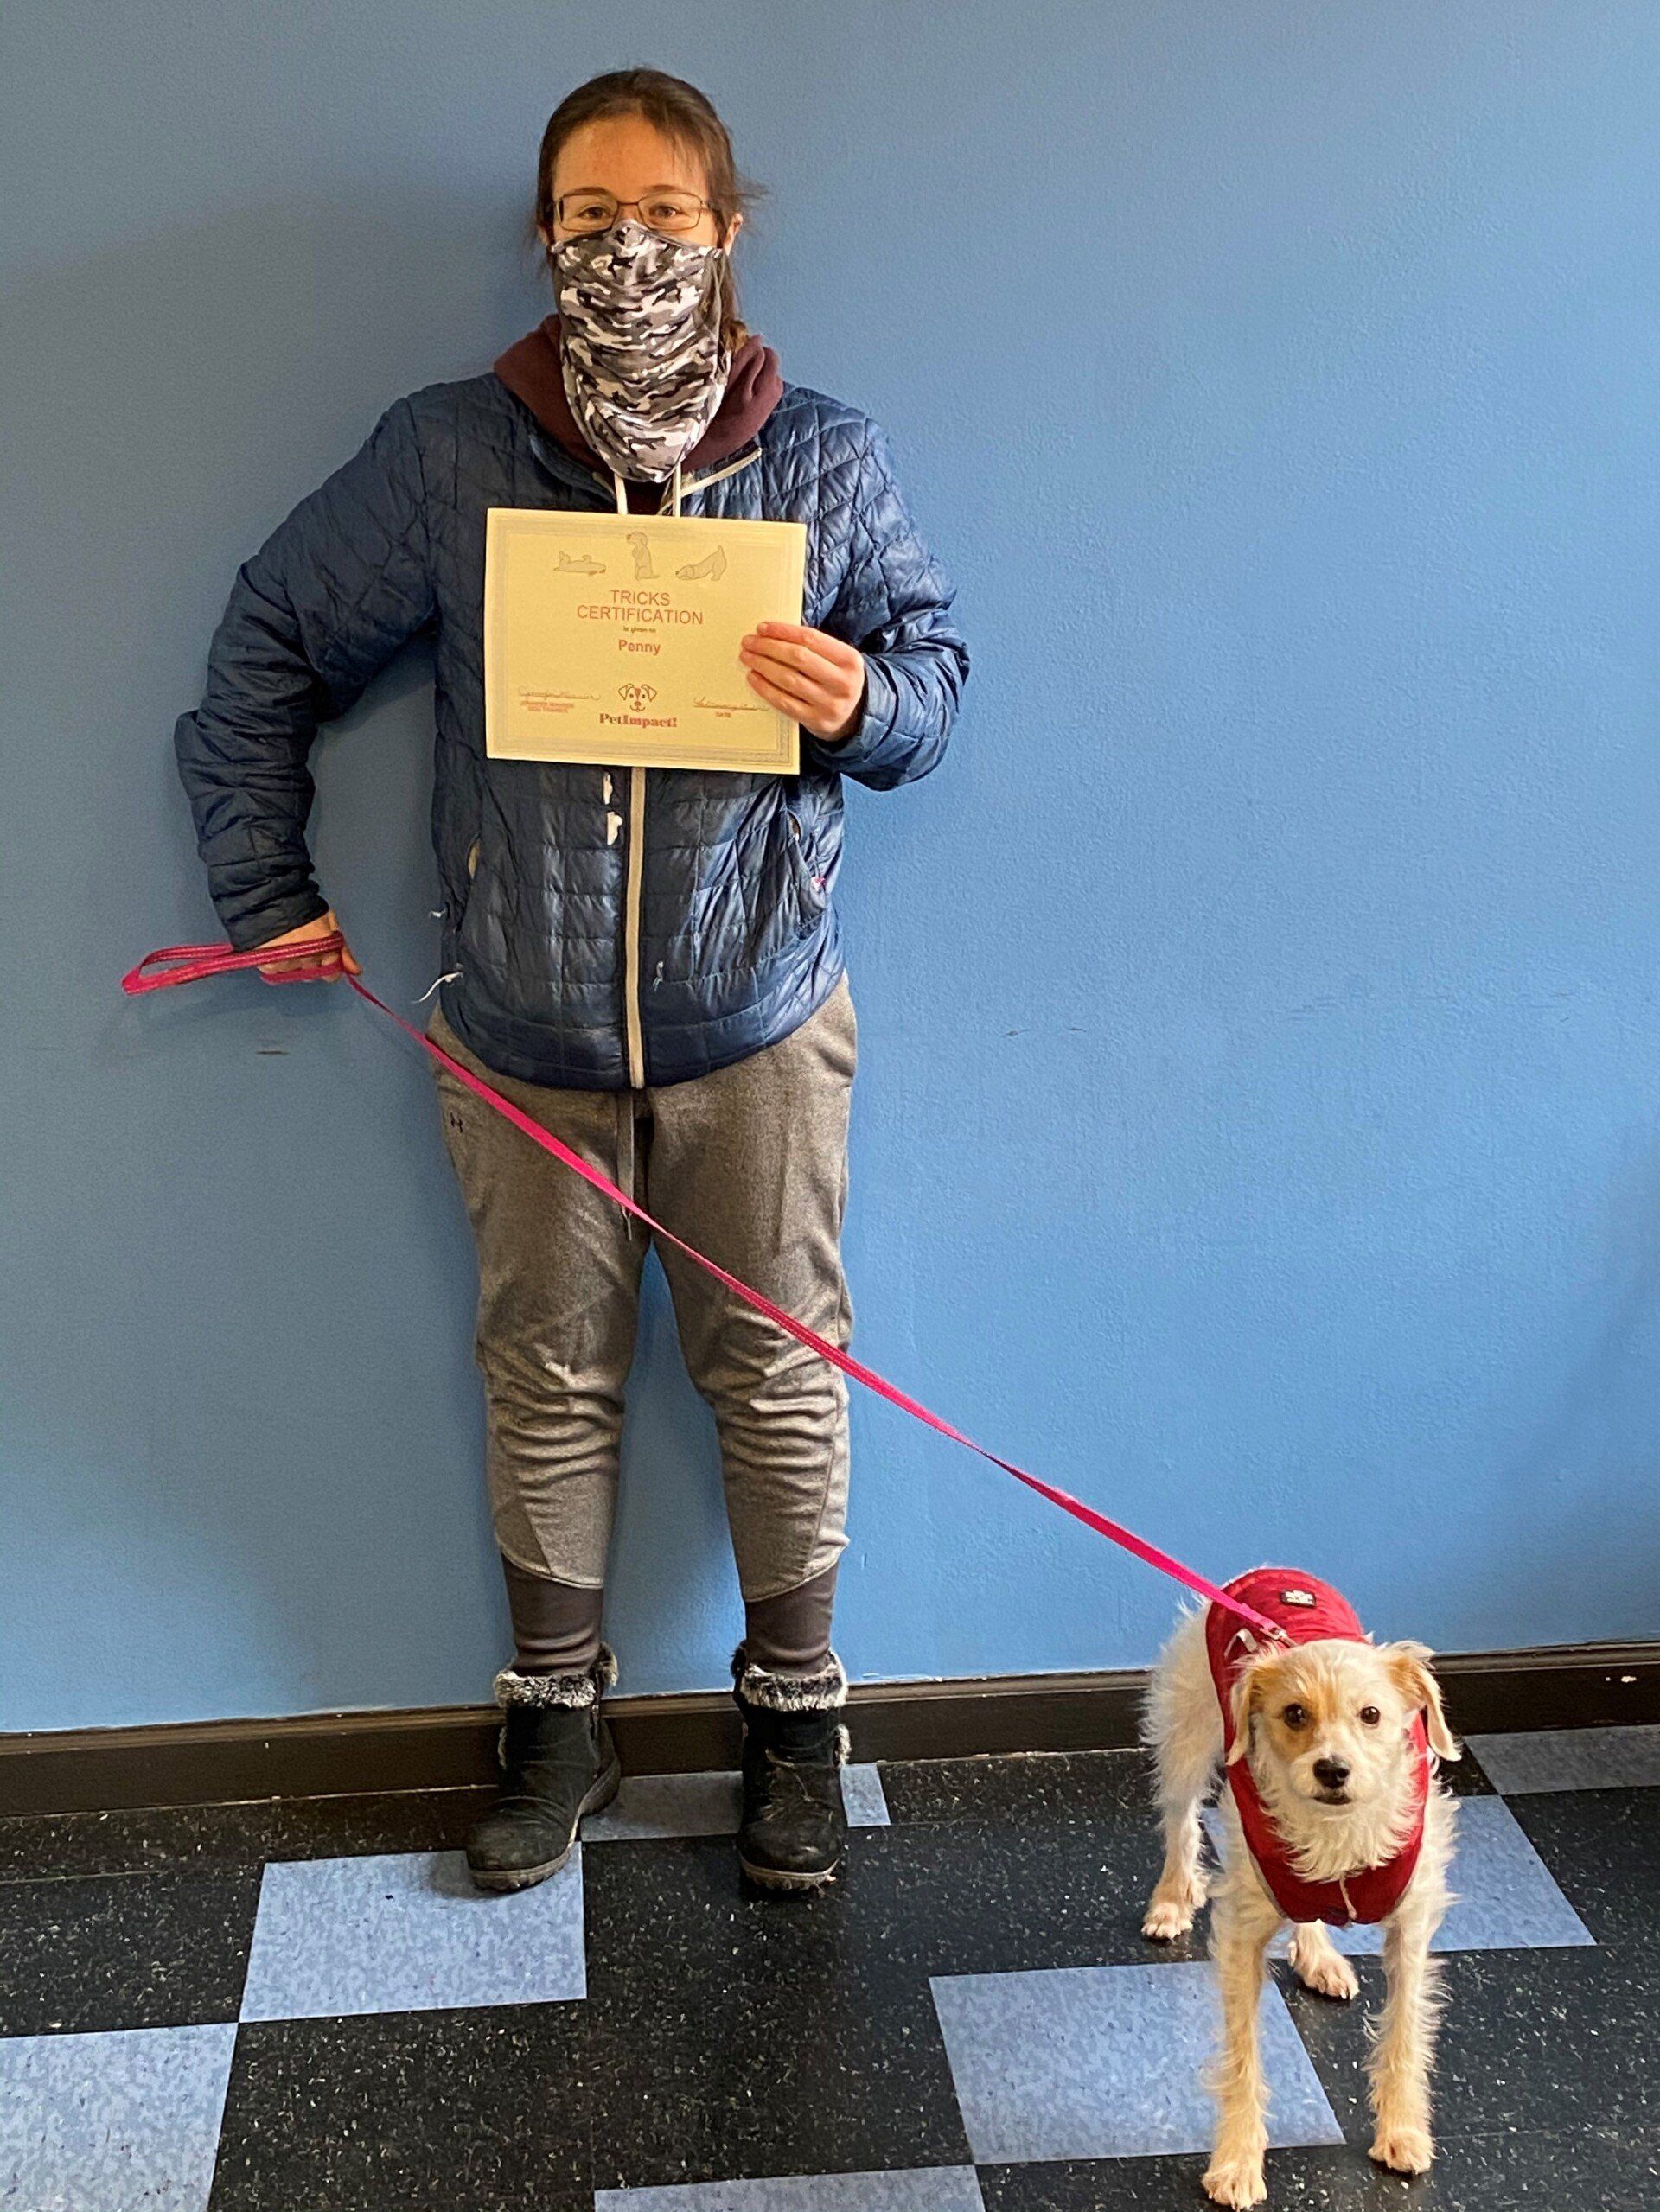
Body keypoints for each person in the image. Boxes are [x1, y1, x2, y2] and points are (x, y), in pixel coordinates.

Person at [173, 67, 970, 1894]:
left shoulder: (825, 456)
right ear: (547, 236)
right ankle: (555, 1712)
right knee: (544, 1372)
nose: (630, 253)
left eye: (665, 220)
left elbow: (936, 664)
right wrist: (261, 883)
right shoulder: (455, 451)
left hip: (757, 1021)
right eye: (592, 221)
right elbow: (269, 641)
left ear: (729, 229)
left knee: (779, 1372)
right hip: (519, 1033)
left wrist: (869, 703)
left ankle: (796, 1715)